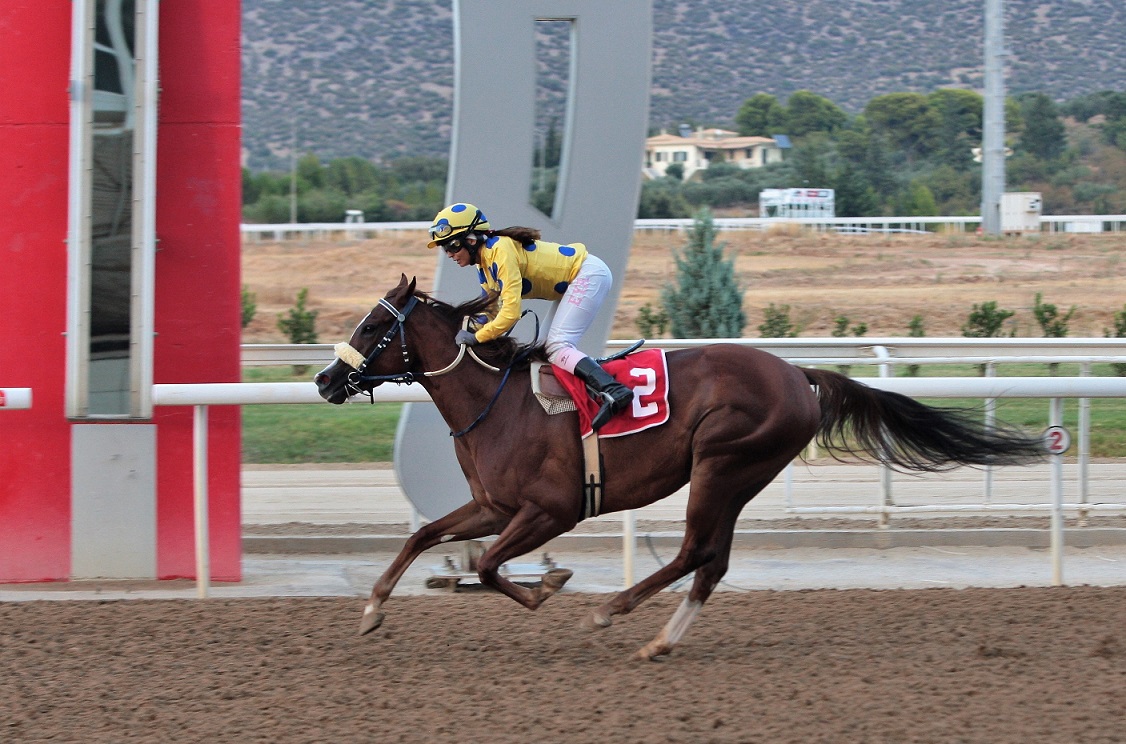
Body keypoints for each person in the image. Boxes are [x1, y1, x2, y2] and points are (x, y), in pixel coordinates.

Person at [427, 202, 633, 430]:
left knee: (557, 346)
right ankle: (588, 397)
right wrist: (465, 329)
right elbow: (491, 309)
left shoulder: (500, 252)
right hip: (574, 282)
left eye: (453, 245)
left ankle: (613, 390)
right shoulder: (483, 264)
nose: (449, 254)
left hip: (588, 274)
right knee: (544, 350)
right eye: (444, 248)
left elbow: (510, 313)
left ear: (472, 239)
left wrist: (477, 337)